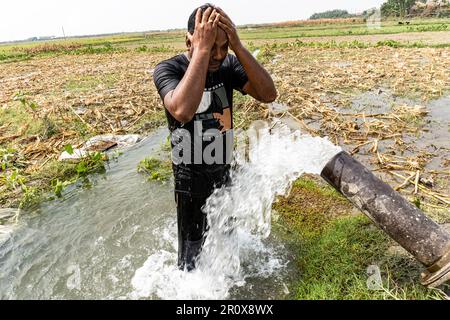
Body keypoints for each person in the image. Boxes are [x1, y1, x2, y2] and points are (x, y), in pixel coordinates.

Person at [153, 3, 277, 271]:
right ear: (190, 40)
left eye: (224, 47)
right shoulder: (168, 70)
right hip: (190, 180)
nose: (218, 55)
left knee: (228, 241)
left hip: (224, 172)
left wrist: (239, 47)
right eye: (212, 47)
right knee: (190, 260)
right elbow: (182, 111)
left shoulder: (229, 64)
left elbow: (268, 94)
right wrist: (202, 50)